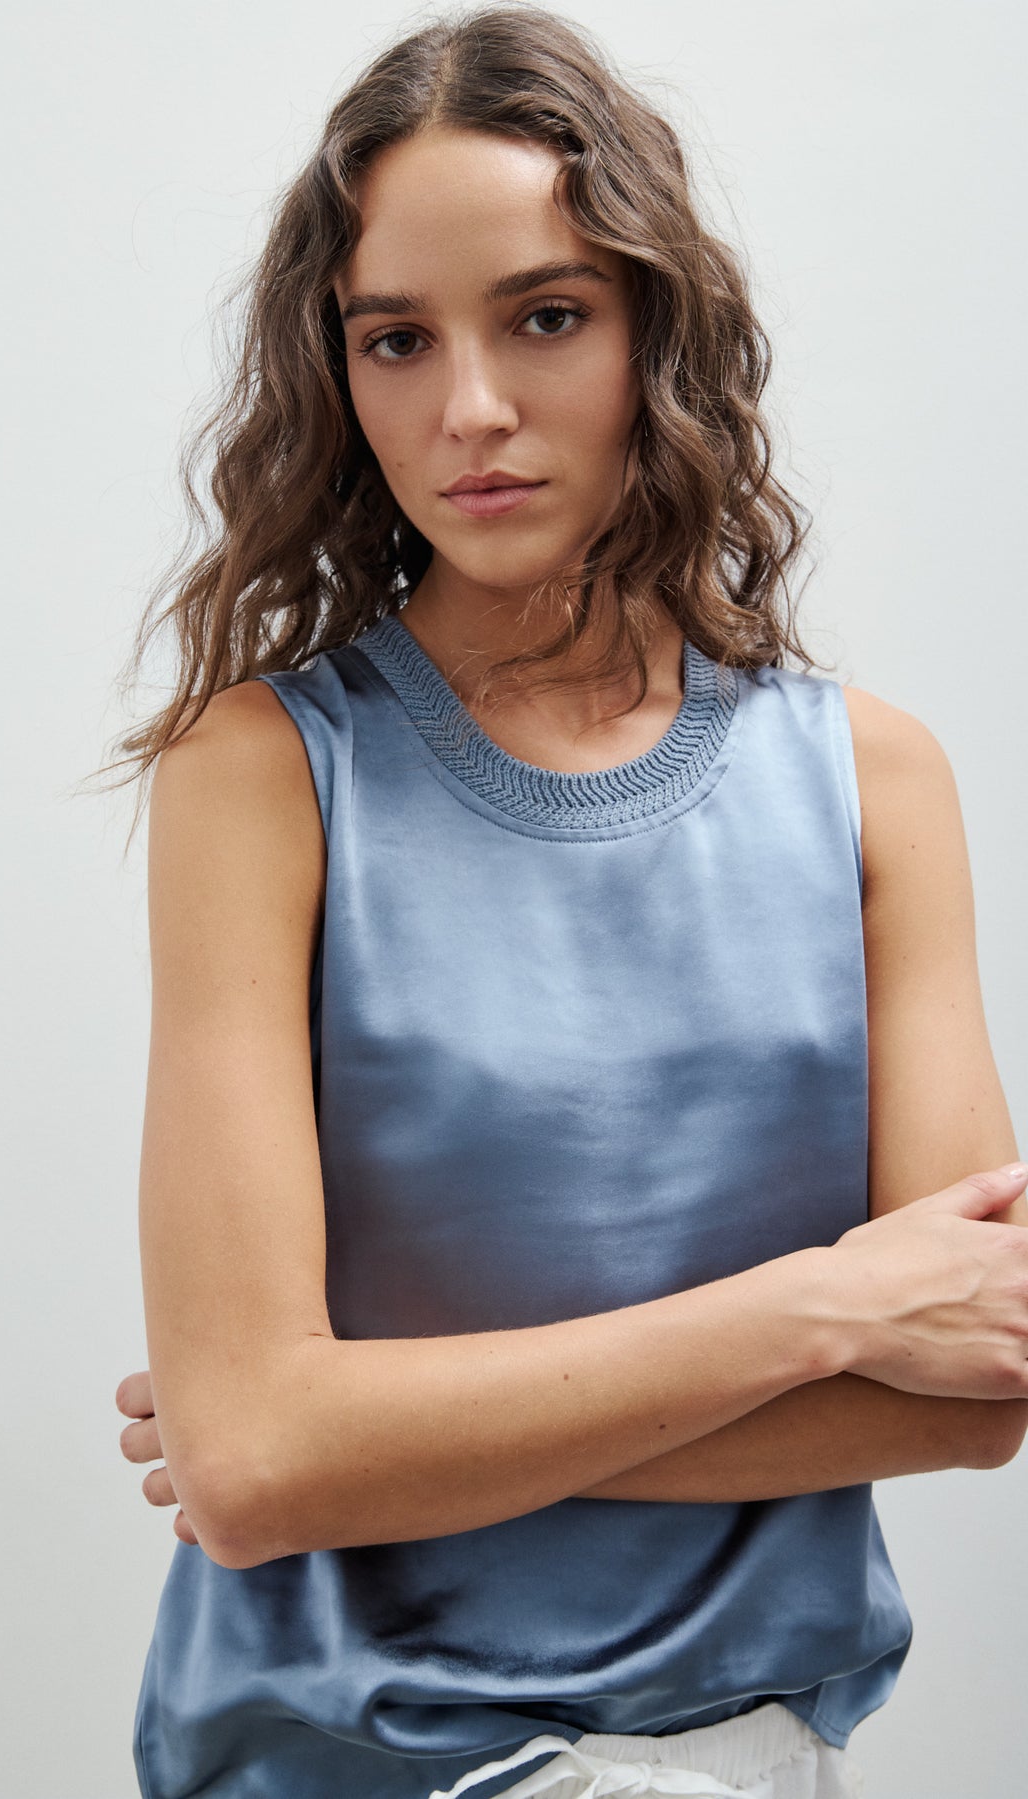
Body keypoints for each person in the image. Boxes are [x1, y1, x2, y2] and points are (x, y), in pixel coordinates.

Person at [106, 8, 1028, 1796]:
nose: (470, 410)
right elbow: (257, 1460)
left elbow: (976, 1380)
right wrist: (826, 1309)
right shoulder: (264, 775)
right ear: (337, 374)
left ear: (656, 332)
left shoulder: (872, 783)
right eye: (396, 339)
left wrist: (361, 1436)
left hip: (750, 1760)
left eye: (545, 316)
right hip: (349, 1766)